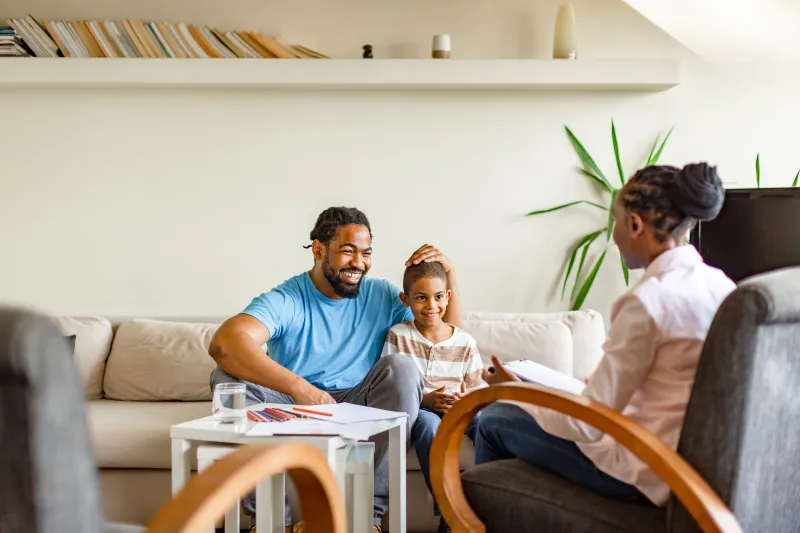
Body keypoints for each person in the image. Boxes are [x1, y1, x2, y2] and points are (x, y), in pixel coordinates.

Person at [477, 162, 736, 508]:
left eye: (616, 221)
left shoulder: (648, 301)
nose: (614, 235)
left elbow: (587, 426)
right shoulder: (722, 285)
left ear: (635, 224)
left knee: (493, 419)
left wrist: (517, 392)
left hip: (645, 469)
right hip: (692, 468)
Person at [208, 206, 462, 533]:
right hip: (292, 405)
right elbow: (225, 343)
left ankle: (367, 520)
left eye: (366, 253)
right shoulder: (288, 298)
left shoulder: (383, 295)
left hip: (360, 403)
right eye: (347, 251)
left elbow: (448, 337)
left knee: (401, 368)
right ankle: (272, 522)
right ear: (318, 250)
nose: (359, 263)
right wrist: (301, 388)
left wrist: (449, 273)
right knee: (226, 378)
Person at [381, 261, 484, 533]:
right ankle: (448, 511)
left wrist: (465, 400)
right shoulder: (398, 335)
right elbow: (389, 385)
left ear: (447, 297)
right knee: (429, 426)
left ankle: (489, 500)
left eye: (438, 297)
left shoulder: (465, 342)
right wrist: (425, 400)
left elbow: (477, 388)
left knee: (486, 422)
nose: (431, 305)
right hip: (422, 409)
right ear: (406, 300)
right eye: (421, 298)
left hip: (460, 409)